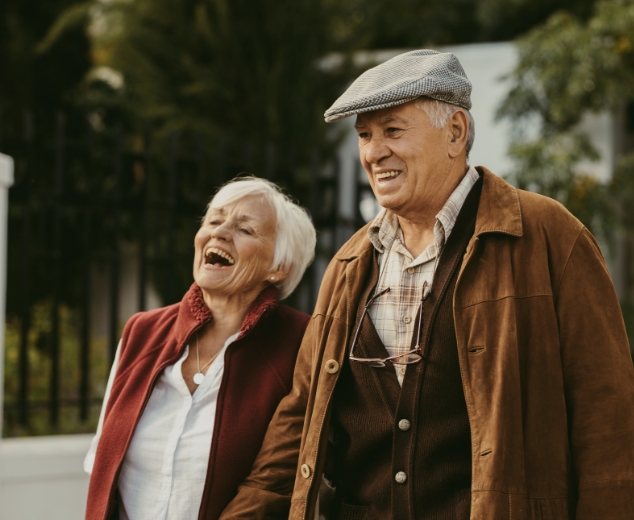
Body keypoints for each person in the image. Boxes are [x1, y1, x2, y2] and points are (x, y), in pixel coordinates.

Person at [220, 50, 634, 519]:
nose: (374, 152)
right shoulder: (350, 263)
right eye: (365, 136)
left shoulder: (549, 235)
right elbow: (299, 424)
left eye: (393, 131)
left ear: (455, 132)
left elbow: (609, 428)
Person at [83, 176, 316, 520]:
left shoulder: (302, 341)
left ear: (278, 268)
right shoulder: (141, 332)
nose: (219, 233)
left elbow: (286, 479)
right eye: (214, 220)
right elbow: (102, 467)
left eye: (246, 230)